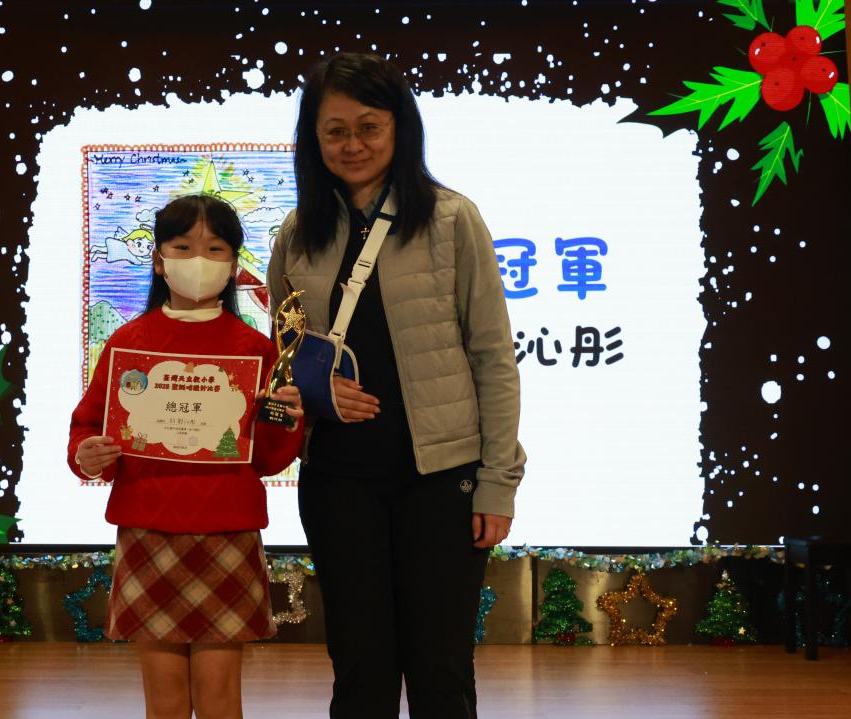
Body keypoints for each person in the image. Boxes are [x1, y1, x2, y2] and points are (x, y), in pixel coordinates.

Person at [266, 52, 527, 718]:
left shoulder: (451, 219)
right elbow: (284, 362)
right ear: (313, 138)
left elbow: (494, 358)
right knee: (360, 668)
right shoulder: (297, 233)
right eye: (335, 131)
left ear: (399, 128)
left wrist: (497, 482)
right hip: (338, 478)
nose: (352, 144)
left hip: (441, 479)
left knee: (440, 668)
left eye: (369, 127)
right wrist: (316, 396)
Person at [68, 194, 305, 719]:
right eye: (182, 247)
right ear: (158, 260)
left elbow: (267, 459)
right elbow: (89, 427)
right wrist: (88, 453)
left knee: (220, 700)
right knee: (165, 701)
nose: (199, 260)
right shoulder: (129, 342)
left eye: (215, 248)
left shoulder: (255, 348)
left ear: (234, 264)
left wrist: (285, 417)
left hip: (226, 528)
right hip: (148, 527)